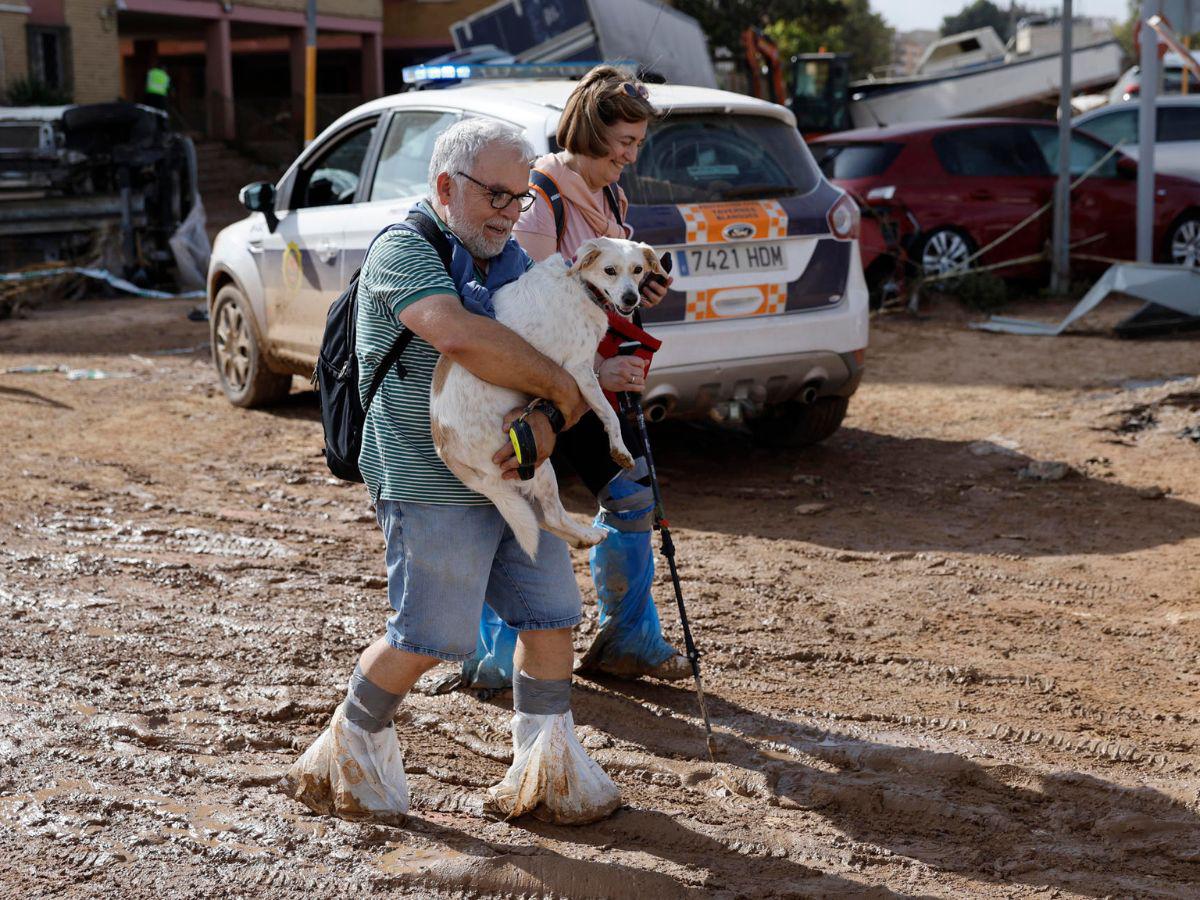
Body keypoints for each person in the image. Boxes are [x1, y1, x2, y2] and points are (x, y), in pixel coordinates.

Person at [283, 118, 621, 824]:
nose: (509, 213)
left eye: (520, 198)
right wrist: (561, 390)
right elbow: (459, 334)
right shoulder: (405, 252)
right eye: (496, 196)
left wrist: (552, 418)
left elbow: (544, 361)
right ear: (445, 186)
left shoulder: (510, 266)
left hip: (511, 478)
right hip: (426, 478)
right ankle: (345, 748)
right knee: (430, 636)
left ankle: (549, 770)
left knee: (553, 616)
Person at [458, 66, 689, 692]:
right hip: (541, 392)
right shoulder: (543, 200)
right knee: (512, 511)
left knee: (634, 497)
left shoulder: (610, 197)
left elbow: (597, 294)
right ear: (590, 132)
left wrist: (638, 287)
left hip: (592, 385)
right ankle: (494, 657)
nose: (631, 156)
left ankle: (627, 642)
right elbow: (522, 319)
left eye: (638, 144)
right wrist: (596, 369)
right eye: (624, 143)